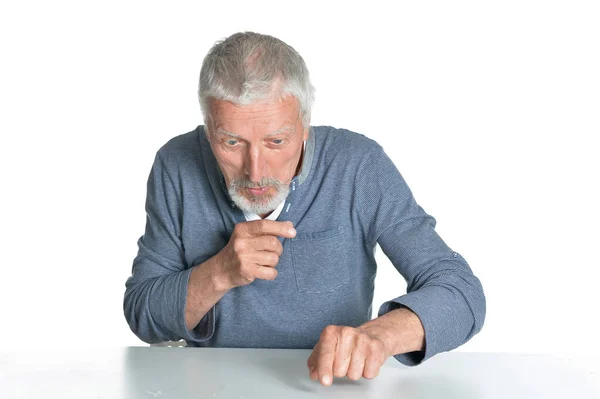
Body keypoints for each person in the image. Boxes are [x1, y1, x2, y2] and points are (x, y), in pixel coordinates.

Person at [123, 31, 486, 386]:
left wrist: (380, 336)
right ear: (208, 130)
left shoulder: (358, 165)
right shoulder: (176, 164)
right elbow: (143, 314)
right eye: (231, 142)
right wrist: (219, 272)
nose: (256, 171)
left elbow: (463, 294)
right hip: (213, 386)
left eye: (276, 141)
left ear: (305, 126)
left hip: (332, 386)